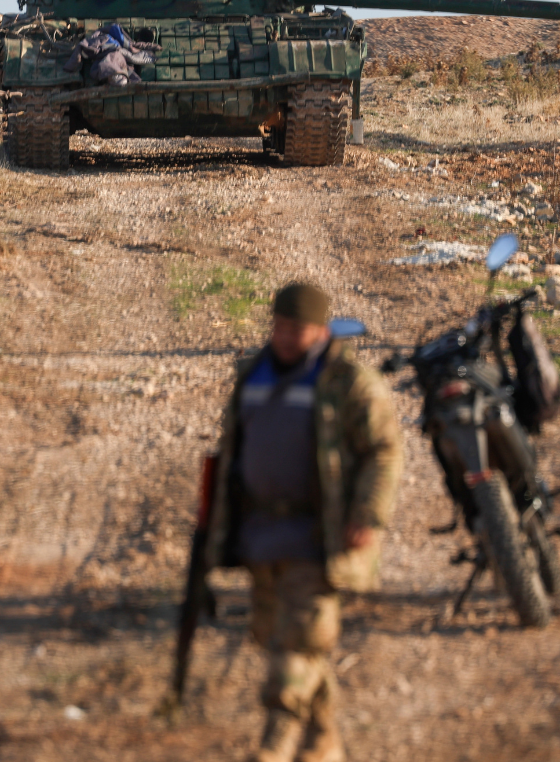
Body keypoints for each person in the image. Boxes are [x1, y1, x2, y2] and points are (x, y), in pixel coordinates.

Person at [202, 283, 403, 762]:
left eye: (298, 328)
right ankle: (324, 740)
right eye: (280, 326)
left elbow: (384, 450)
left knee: (301, 641)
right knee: (276, 638)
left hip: (321, 536)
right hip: (261, 536)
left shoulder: (348, 382)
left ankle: (276, 744)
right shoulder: (254, 375)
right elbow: (232, 450)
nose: (287, 336)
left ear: (322, 330)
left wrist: (369, 513)